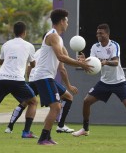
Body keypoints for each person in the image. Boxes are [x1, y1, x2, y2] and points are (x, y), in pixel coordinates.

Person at [71, 23, 126, 139]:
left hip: (119, 81)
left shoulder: (114, 45)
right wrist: (84, 62)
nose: (98, 35)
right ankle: (85, 129)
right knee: (86, 101)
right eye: (97, 33)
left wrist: (105, 62)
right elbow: (93, 64)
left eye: (101, 33)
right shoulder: (95, 47)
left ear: (107, 34)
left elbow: (115, 62)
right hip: (104, 82)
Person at [34, 8, 92, 145]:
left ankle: (46, 137)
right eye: (66, 21)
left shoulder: (58, 39)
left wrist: (80, 61)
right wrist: (80, 64)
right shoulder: (53, 36)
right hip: (43, 76)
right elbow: (61, 57)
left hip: (47, 77)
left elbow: (66, 57)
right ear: (61, 21)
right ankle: (43, 138)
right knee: (56, 107)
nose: (67, 23)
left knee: (57, 106)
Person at [4, 35, 76, 134]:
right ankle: (60, 126)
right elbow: (62, 69)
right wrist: (69, 85)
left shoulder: (37, 52)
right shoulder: (53, 51)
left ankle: (10, 127)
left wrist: (30, 81)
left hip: (34, 79)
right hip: (44, 78)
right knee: (66, 98)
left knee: (25, 102)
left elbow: (29, 68)